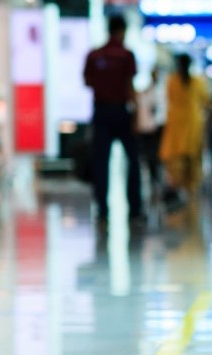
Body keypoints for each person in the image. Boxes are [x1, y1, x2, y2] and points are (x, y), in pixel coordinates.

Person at [83, 14, 143, 224]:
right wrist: (136, 115)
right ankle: (134, 209)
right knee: (133, 161)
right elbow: (130, 86)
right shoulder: (127, 56)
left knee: (101, 162)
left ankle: (102, 209)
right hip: (122, 111)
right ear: (122, 31)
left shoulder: (94, 55)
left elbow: (88, 82)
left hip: (101, 112)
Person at [158, 53, 210, 204]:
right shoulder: (196, 82)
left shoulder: (173, 81)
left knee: (179, 161)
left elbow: (169, 99)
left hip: (179, 126)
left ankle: (182, 191)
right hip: (190, 126)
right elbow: (206, 102)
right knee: (190, 161)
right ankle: (189, 192)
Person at [136, 68, 165, 199]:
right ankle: (153, 180)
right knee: (146, 157)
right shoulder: (146, 92)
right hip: (145, 129)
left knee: (154, 157)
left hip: (154, 129)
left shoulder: (159, 92)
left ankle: (156, 181)